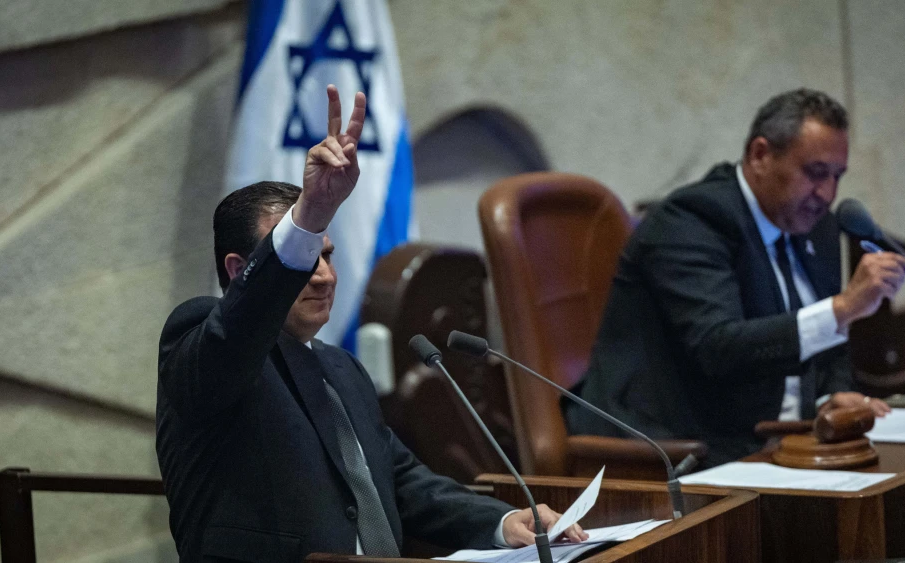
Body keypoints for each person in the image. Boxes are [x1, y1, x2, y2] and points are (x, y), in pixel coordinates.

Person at [156, 85, 586, 562]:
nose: (323, 276)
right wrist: (310, 216)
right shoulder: (200, 340)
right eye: (305, 259)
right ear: (239, 271)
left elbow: (398, 482)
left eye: (328, 256)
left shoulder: (342, 369)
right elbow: (239, 329)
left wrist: (502, 521)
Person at [566, 88, 905, 467]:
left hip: (778, 437)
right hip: (673, 446)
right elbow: (718, 348)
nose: (827, 193)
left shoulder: (816, 225)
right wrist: (844, 308)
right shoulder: (690, 221)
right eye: (815, 173)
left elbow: (829, 342)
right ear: (760, 155)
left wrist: (834, 394)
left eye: (837, 176)